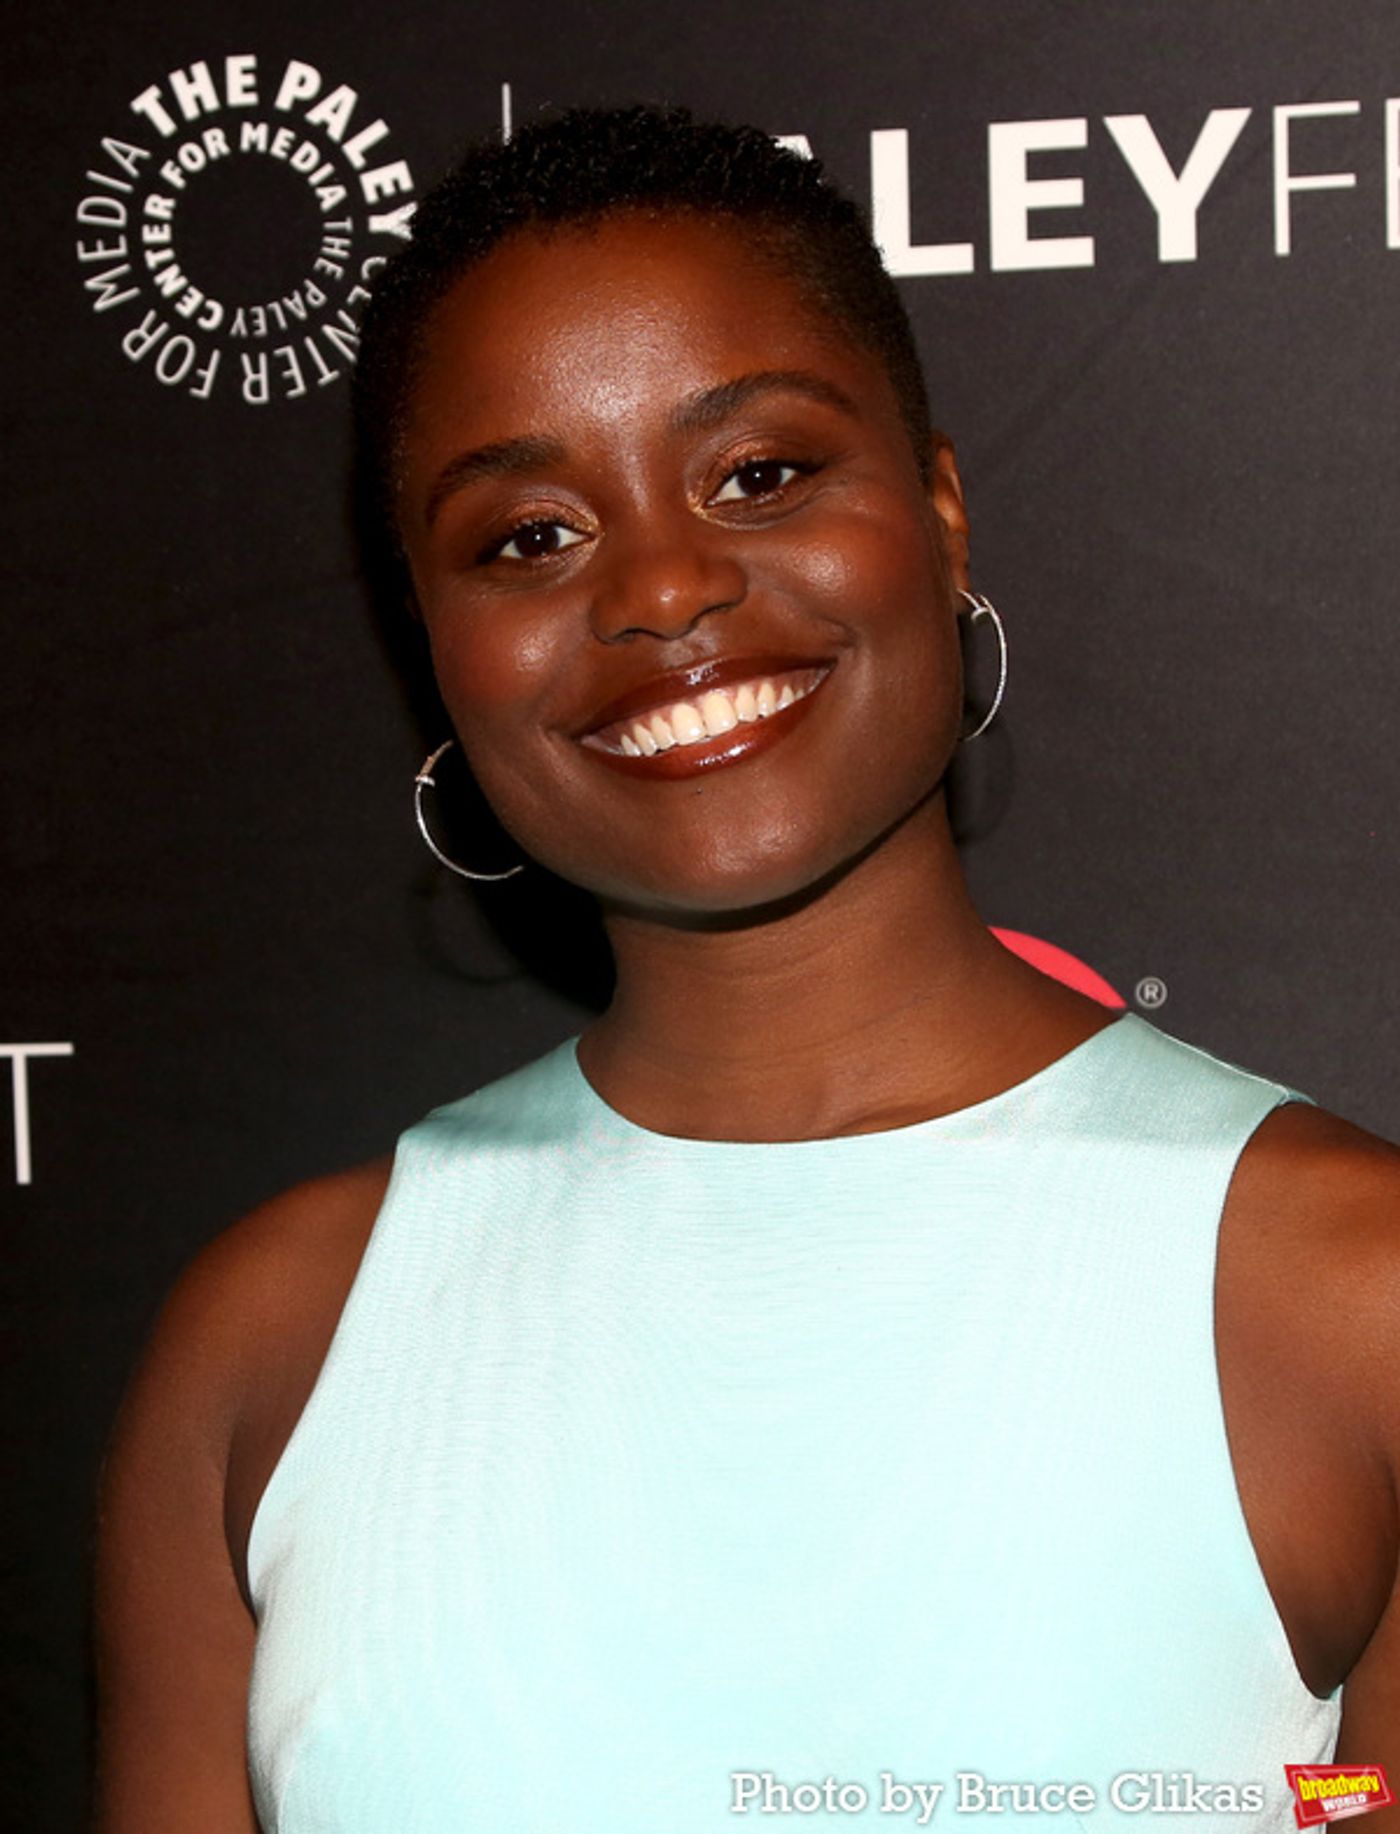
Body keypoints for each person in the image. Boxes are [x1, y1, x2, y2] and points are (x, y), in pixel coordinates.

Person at [90, 105, 1400, 1832]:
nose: (662, 587)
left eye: (759, 473)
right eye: (528, 535)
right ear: (435, 642)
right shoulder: (269, 1347)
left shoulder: (1347, 1297)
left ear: (937, 513)